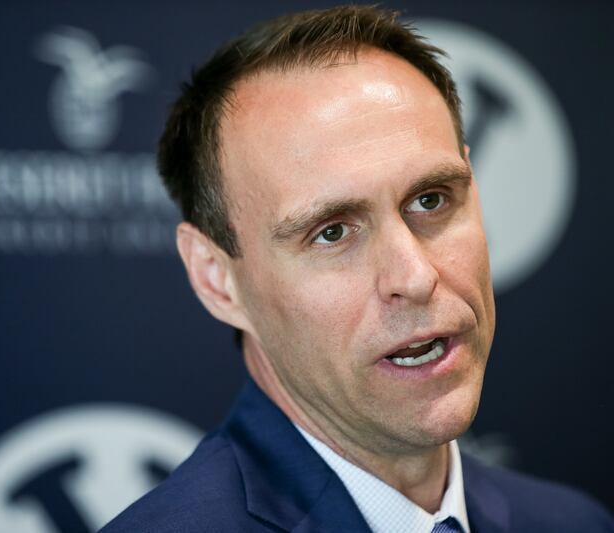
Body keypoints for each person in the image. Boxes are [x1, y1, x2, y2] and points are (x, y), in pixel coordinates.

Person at [101, 5, 613, 532]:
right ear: (217, 279)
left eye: (432, 200)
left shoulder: (573, 523)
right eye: (331, 232)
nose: (416, 277)